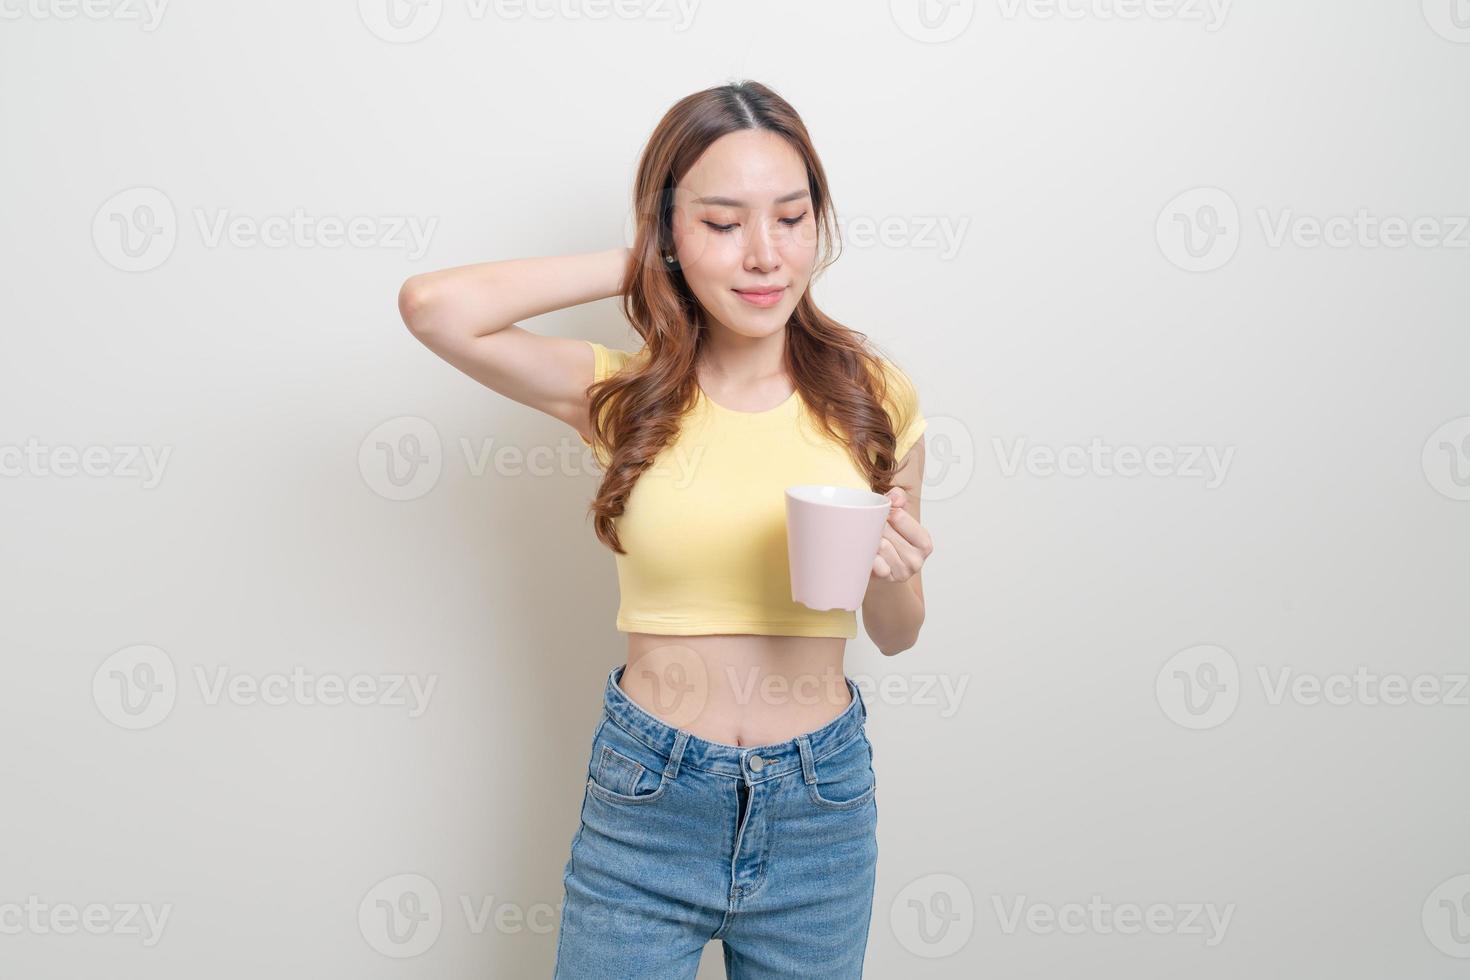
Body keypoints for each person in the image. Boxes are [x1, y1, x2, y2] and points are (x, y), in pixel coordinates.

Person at [398, 80, 933, 980]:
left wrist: (893, 576)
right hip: (647, 795)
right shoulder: (626, 393)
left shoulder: (872, 397)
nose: (765, 255)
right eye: (723, 224)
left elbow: (900, 632)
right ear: (670, 231)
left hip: (821, 802)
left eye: (791, 219)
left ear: (818, 225)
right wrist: (644, 260)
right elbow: (432, 307)